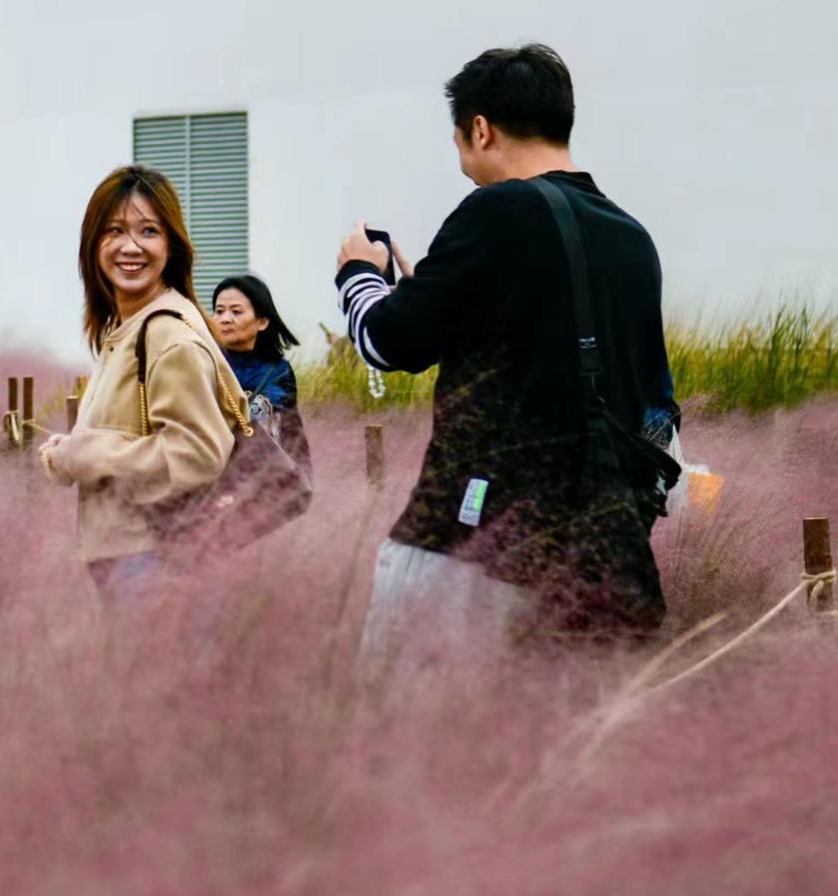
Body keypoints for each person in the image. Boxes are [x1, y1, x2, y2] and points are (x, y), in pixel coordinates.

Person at [334, 44, 680, 651]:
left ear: (480, 129)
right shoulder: (633, 239)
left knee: (411, 735)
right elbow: (655, 410)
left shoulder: (495, 212)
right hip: (594, 559)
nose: (466, 164)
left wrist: (359, 276)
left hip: (468, 547)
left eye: (462, 146)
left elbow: (387, 344)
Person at [39, 165, 245, 597]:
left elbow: (198, 452)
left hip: (153, 560)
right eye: (114, 230)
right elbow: (134, 431)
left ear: (171, 245)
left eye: (148, 231)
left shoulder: (167, 334)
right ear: (94, 244)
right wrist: (69, 452)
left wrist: (88, 453)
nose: (130, 246)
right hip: (133, 555)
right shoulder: (130, 325)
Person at [212, 274, 311, 474]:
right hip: (211, 476)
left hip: (262, 477)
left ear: (262, 322)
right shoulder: (204, 363)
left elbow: (288, 431)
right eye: (219, 311)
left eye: (236, 311)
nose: (225, 319)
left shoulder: (277, 371)